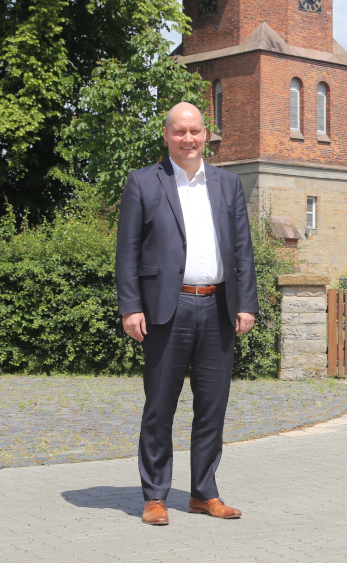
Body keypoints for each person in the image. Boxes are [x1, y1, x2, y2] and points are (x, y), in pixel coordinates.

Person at [115, 102, 258, 526]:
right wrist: (131, 306)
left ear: (205, 134)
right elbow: (127, 253)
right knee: (160, 406)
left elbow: (242, 251)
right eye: (180, 132)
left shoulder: (227, 183)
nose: (189, 139)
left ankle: (203, 493)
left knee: (212, 407)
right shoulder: (143, 182)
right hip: (165, 309)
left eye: (195, 131)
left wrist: (246, 302)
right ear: (167, 136)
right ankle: (155, 496)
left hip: (218, 307)